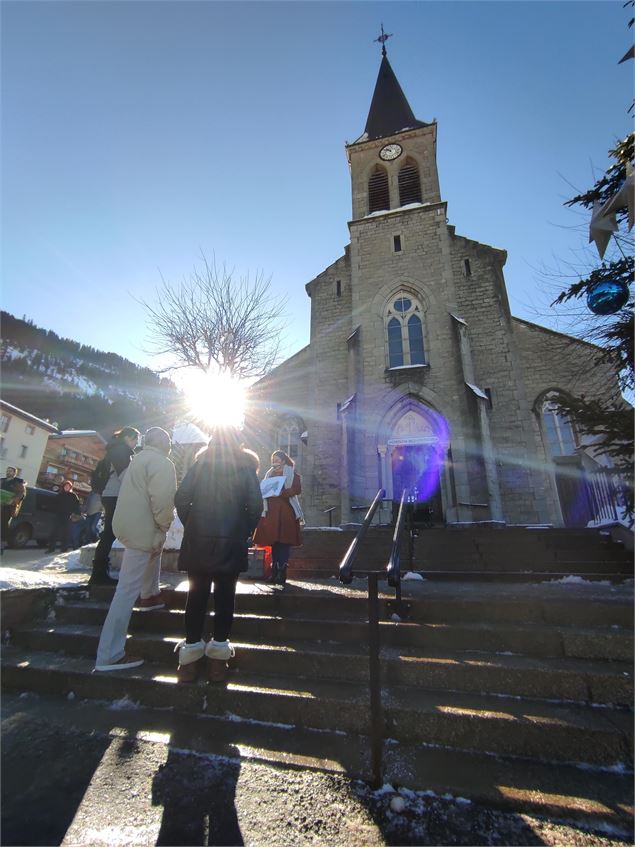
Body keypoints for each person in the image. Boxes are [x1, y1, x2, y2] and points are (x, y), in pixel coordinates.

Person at [174, 428, 262, 684]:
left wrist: (192, 524)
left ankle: (189, 662)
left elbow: (181, 498)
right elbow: (255, 505)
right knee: (225, 599)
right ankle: (217, 662)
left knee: (196, 597)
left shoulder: (200, 465)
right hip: (231, 543)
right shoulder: (246, 468)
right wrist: (242, 530)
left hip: (198, 541)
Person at [94, 427, 176, 672]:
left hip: (128, 524)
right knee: (126, 590)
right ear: (161, 443)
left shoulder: (136, 460)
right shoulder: (162, 463)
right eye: (168, 440)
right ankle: (109, 654)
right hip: (144, 527)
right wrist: (164, 525)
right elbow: (162, 500)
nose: (171, 443)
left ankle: (150, 595)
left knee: (153, 552)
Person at [90, 426, 140, 586]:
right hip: (115, 495)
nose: (136, 443)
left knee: (110, 533)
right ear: (128, 438)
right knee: (109, 534)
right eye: (135, 439)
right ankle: (99, 573)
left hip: (110, 495)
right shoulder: (120, 451)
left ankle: (99, 572)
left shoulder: (116, 449)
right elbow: (125, 476)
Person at [252, 450, 303, 586]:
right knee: (274, 543)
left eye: (277, 459)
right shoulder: (268, 475)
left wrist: (281, 493)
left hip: (286, 512)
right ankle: (274, 571)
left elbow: (297, 489)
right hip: (271, 513)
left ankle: (282, 572)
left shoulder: (292, 474)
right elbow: (263, 490)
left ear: (283, 460)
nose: (274, 461)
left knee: (283, 543)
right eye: (273, 459)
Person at [46, 480, 81, 553]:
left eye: (68, 486)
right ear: (63, 487)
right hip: (59, 516)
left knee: (66, 534)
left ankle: (64, 549)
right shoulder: (59, 495)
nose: (67, 487)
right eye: (65, 486)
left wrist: (76, 515)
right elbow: (54, 505)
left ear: (70, 487)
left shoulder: (73, 496)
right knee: (54, 533)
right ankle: (51, 549)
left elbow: (77, 507)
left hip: (68, 517)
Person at [1, 467, 27, 551]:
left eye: (10, 471)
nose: (8, 472)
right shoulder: (2, 480)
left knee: (3, 525)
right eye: (7, 470)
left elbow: (22, 494)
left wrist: (12, 500)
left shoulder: (18, 483)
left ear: (14, 473)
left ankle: (1, 545)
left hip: (8, 507)